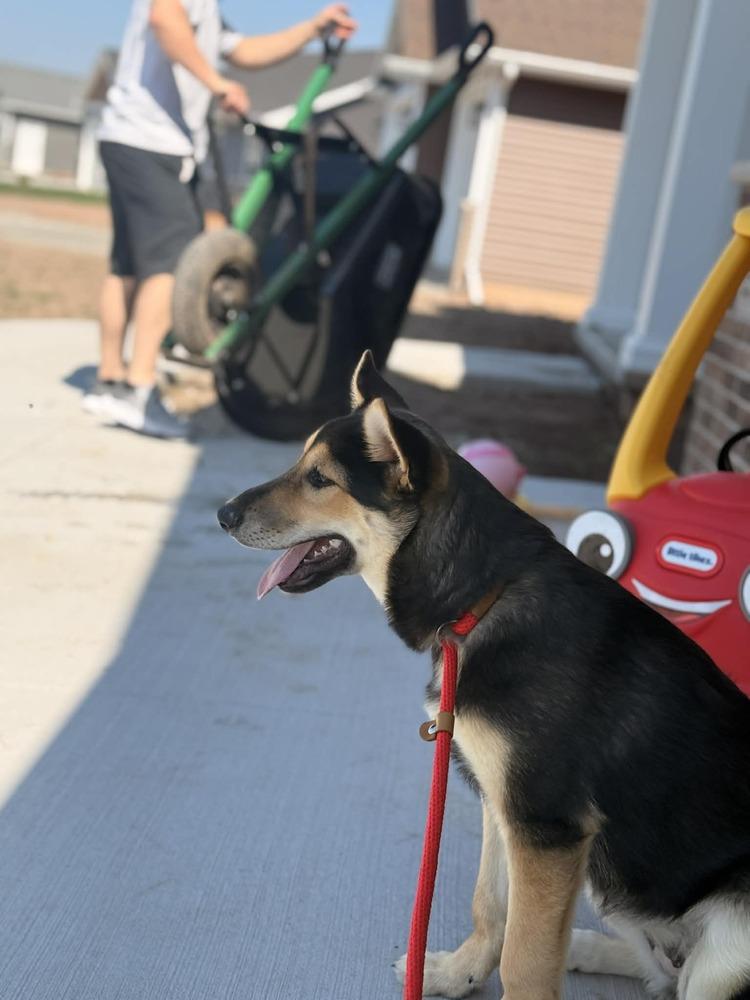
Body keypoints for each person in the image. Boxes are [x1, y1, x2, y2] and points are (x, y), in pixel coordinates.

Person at [84, 0, 356, 438]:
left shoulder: (208, 11)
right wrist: (217, 84)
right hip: (151, 141)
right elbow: (165, 18)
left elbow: (244, 50)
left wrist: (311, 28)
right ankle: (138, 391)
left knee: (128, 266)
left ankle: (109, 382)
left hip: (129, 138)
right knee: (170, 262)